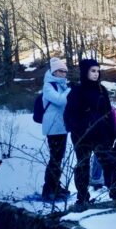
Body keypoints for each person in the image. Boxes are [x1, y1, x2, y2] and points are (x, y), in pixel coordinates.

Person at [64, 59, 116, 205]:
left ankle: (115, 192)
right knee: (83, 165)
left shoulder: (102, 89)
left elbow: (108, 112)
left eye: (98, 71)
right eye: (93, 71)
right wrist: (81, 129)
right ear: (85, 72)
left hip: (101, 135)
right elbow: (69, 115)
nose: (96, 74)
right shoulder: (77, 91)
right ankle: (83, 197)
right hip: (82, 136)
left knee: (108, 162)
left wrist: (110, 132)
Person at [40, 58, 71, 200]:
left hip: (61, 126)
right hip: (53, 127)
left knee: (59, 158)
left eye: (65, 71)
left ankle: (55, 185)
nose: (63, 74)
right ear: (54, 71)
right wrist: (70, 91)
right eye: (60, 71)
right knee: (55, 158)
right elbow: (60, 101)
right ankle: (48, 189)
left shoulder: (62, 86)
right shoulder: (48, 86)